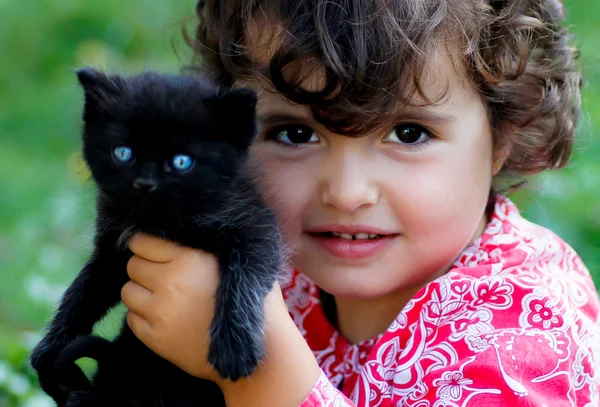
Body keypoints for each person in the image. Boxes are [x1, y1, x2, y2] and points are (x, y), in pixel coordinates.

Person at [120, 0, 600, 405]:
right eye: (295, 133)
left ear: (501, 135)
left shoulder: (523, 339)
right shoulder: (271, 270)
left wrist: (260, 373)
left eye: (408, 134)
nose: (347, 194)